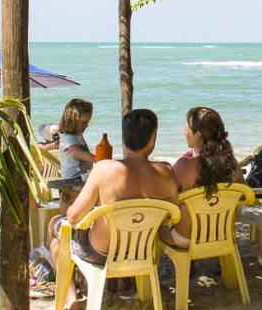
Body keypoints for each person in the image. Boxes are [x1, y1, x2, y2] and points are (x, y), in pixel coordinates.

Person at [63, 109, 178, 267]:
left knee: (57, 227)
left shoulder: (103, 169)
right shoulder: (166, 172)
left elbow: (73, 217)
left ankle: (69, 291)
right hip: (142, 249)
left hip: (102, 252)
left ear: (123, 139)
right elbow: (171, 215)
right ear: (153, 139)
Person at [167, 107, 246, 248]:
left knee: (156, 229)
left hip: (187, 238)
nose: (184, 131)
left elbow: (169, 202)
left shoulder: (183, 166)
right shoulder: (231, 164)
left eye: (187, 128)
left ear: (198, 135)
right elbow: (244, 195)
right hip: (221, 233)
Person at [58, 99, 95, 180]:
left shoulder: (78, 136)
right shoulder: (68, 137)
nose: (86, 125)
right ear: (72, 121)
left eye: (87, 123)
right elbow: (77, 152)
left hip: (83, 176)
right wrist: (97, 159)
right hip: (72, 179)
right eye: (83, 123)